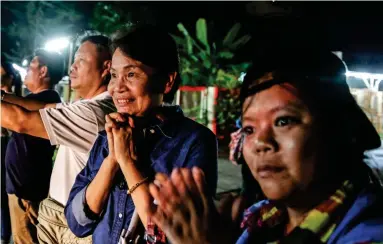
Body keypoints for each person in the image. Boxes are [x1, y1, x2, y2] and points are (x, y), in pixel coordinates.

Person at [147, 50, 383, 243]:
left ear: (339, 128)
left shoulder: (368, 233)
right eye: (249, 129)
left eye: (283, 121)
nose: (261, 143)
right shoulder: (260, 220)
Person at [64, 25, 218, 244]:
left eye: (131, 74)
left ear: (167, 82)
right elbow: (77, 223)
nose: (117, 87)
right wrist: (112, 160)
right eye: (114, 75)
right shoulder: (110, 136)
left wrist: (127, 162)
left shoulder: (193, 142)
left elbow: (174, 236)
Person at [1, 35, 116, 243]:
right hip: (57, 211)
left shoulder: (94, 112)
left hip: (73, 223)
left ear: (107, 66)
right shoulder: (85, 106)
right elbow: (39, 107)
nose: (72, 66)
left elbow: (21, 121)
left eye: (81, 60)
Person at [3, 49, 63, 244]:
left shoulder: (47, 99)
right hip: (23, 190)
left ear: (43, 71)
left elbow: (15, 117)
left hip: (27, 192)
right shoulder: (34, 100)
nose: (26, 71)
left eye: (30, 66)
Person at [0, 60, 22, 244]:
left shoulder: (17, 100)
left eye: (1, 75)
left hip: (6, 148)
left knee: (4, 198)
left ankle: (4, 236)